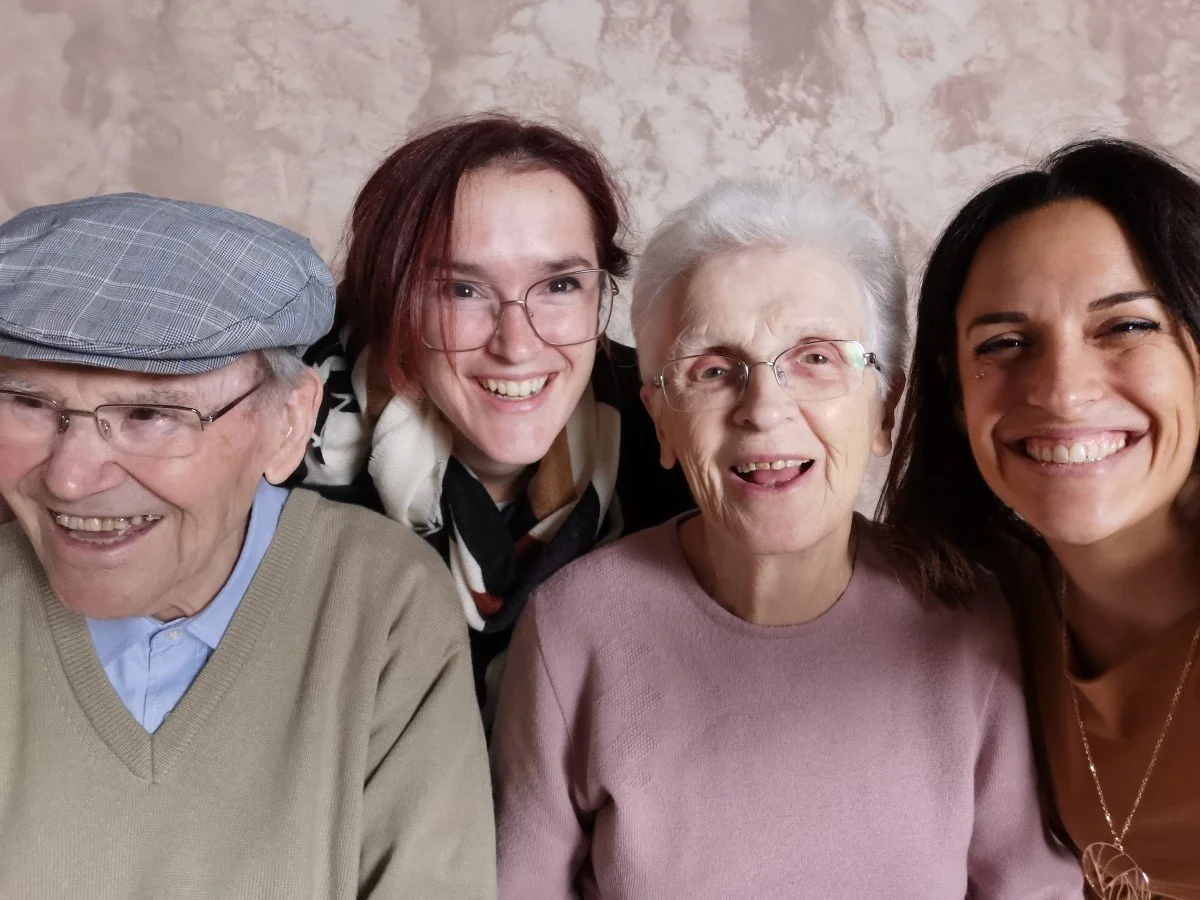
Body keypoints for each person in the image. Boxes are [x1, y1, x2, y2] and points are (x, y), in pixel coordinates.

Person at [491, 179, 1083, 897]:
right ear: (662, 421)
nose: (764, 409)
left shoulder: (970, 618)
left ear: (886, 409)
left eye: (816, 359)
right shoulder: (573, 626)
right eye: (714, 370)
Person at [0, 193, 495, 898]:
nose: (71, 479)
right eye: (28, 403)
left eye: (149, 414)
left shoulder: (384, 603)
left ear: (288, 423)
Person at [881, 136, 1200, 899]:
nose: (1060, 390)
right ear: (955, 398)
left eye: (1125, 327)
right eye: (1005, 343)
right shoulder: (983, 609)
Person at [299, 114, 691, 719]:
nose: (517, 344)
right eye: (462, 289)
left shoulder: (674, 438)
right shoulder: (280, 456)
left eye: (559, 285)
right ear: (396, 304)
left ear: (600, 295)